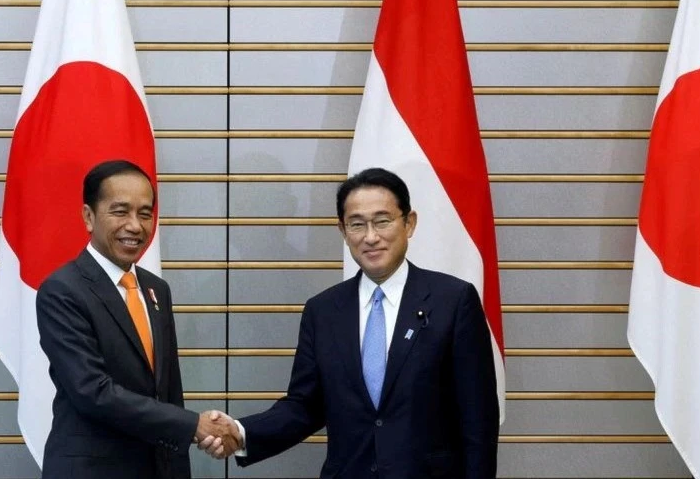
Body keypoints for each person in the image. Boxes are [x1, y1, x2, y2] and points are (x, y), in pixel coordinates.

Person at [201, 167, 499, 478]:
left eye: (382, 221)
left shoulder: (453, 301)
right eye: (357, 225)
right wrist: (240, 431)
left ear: (409, 223)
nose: (371, 237)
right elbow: (304, 406)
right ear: (344, 231)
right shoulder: (324, 311)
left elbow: (478, 421)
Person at [35, 160, 236, 478]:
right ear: (89, 217)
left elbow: (169, 392)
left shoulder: (157, 290)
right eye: (120, 211)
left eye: (145, 213)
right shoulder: (62, 290)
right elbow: (92, 392)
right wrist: (192, 425)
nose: (135, 225)